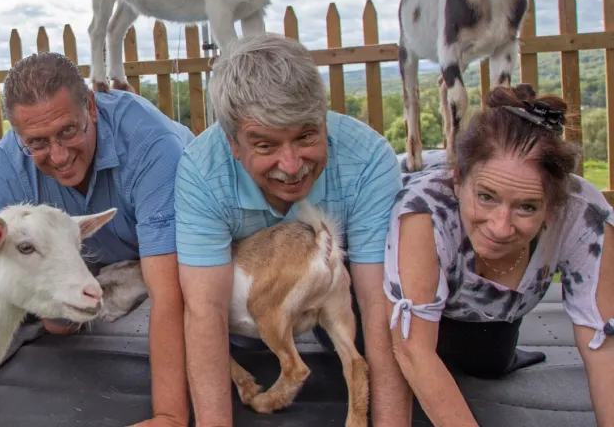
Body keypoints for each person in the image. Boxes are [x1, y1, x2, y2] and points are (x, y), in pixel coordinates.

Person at [173, 33, 411, 426]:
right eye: (265, 146)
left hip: (331, 292)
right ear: (232, 144)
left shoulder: (369, 160)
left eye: (305, 136)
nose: (291, 164)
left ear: (323, 117)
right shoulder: (202, 171)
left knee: (482, 352)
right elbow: (205, 311)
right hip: (253, 309)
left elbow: (377, 303)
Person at [0, 51, 195, 427]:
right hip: (89, 254)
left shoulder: (152, 146)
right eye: (37, 142)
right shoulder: (9, 162)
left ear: (90, 105)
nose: (58, 155)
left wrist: (169, 416)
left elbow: (169, 294)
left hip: (172, 248)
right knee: (58, 325)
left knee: (217, 315)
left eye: (68, 131)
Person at [384, 84, 614, 426]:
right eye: (487, 197)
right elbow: (412, 348)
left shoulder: (585, 215)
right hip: (386, 300)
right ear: (459, 180)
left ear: (553, 204)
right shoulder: (424, 210)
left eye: (526, 207)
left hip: (480, 316)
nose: (501, 227)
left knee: (487, 359)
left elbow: (604, 343)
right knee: (386, 350)